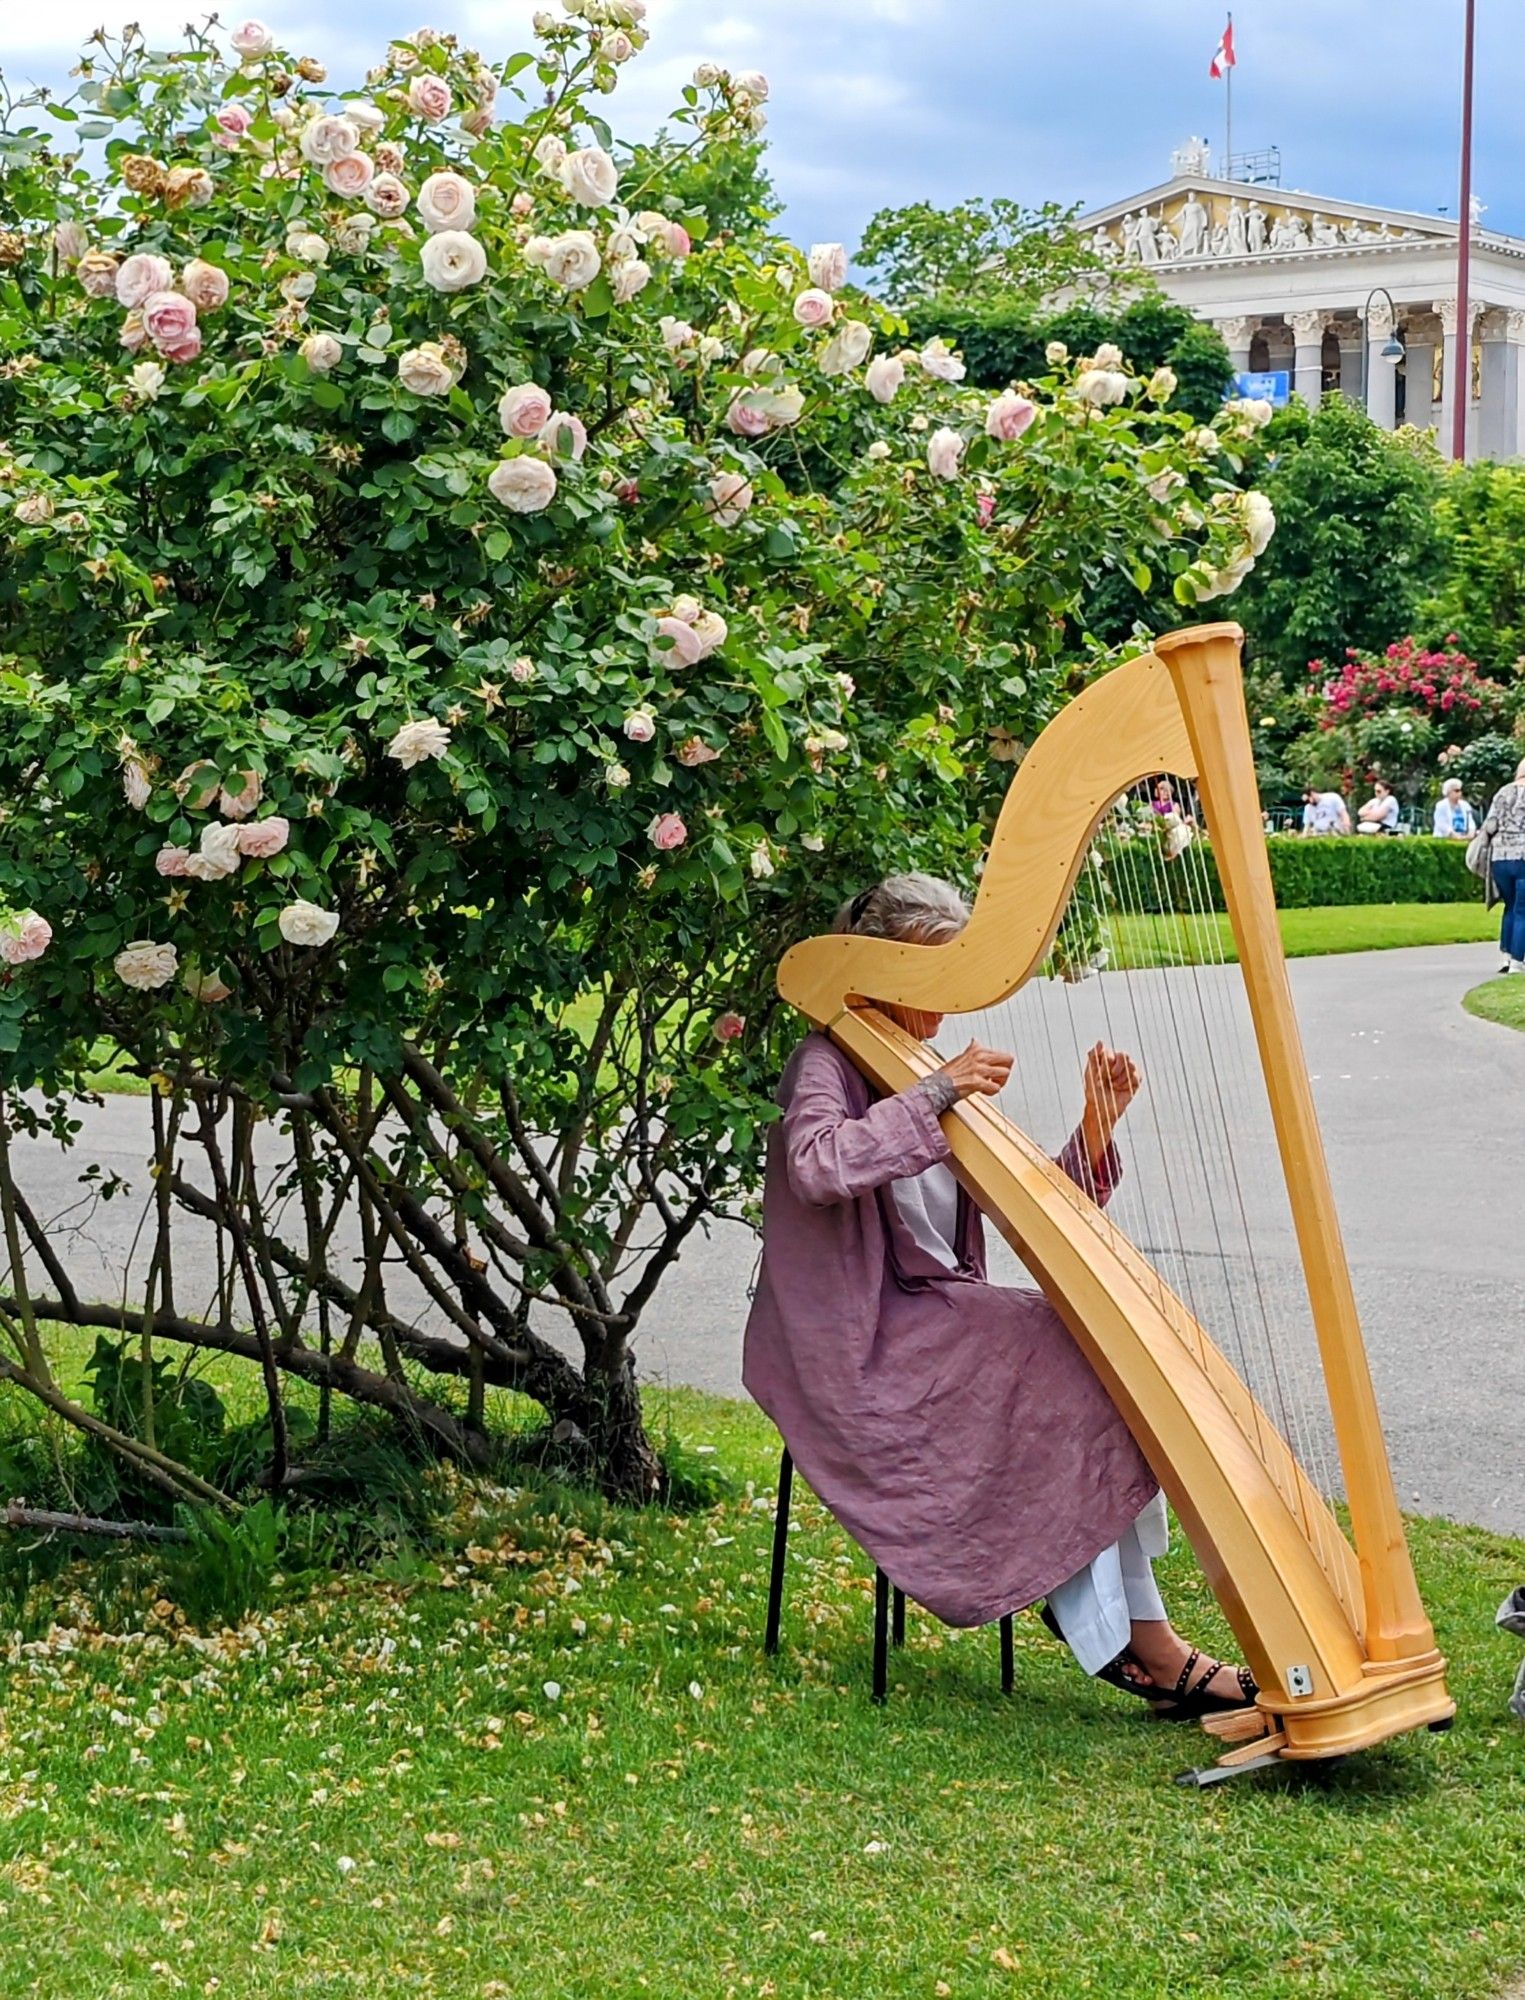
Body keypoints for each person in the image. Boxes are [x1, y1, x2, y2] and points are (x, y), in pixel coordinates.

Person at [743, 873, 1256, 1719]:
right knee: (1074, 1348)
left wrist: (1096, 1126)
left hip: (933, 1320)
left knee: (1101, 1345)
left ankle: (1135, 1631)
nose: (947, 1005)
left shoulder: (914, 1065)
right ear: (883, 972)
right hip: (855, 1347)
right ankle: (1139, 1644)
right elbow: (817, 1166)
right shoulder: (828, 1061)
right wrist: (937, 1093)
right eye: (933, 980)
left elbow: (1032, 1215)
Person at [1482, 759, 1525, 974]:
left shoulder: (1503, 792)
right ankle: (1518, 961)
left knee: (1509, 905)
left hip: (1500, 856)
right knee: (1522, 909)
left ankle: (1506, 957)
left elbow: (1490, 825)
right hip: (1524, 858)